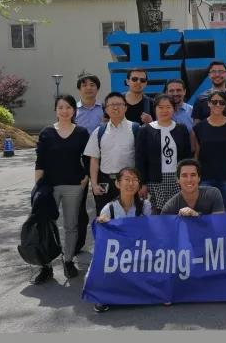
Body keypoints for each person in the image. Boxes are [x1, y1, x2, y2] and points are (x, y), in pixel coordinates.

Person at [31, 95, 90, 285]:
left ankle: (68, 260)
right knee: (46, 225)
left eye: (68, 107)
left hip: (74, 185)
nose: (64, 111)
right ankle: (46, 266)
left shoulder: (81, 132)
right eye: (61, 107)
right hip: (50, 186)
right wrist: (38, 187)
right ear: (55, 110)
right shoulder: (47, 132)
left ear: (74, 110)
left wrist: (85, 178)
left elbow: (88, 158)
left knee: (71, 226)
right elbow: (40, 161)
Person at [93, 167, 152, 312]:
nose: (131, 183)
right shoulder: (109, 209)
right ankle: (104, 297)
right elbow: (102, 241)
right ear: (118, 184)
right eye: (127, 179)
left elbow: (150, 233)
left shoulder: (145, 206)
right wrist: (102, 223)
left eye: (135, 180)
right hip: (117, 256)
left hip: (139, 253)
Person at [83, 92, 138, 217]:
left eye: (119, 104)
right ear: (106, 109)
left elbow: (141, 159)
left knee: (129, 218)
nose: (115, 107)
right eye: (111, 105)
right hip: (105, 183)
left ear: (126, 107)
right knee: (105, 219)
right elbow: (94, 160)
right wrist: (94, 184)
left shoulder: (135, 129)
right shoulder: (99, 131)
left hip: (128, 183)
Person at [135, 94, 191, 214]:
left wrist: (187, 178)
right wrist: (142, 183)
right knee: (157, 213)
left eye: (168, 107)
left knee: (180, 212)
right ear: (155, 109)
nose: (164, 110)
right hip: (155, 181)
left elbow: (187, 157)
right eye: (160, 107)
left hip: (177, 180)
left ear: (174, 109)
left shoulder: (181, 129)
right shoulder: (145, 130)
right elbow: (140, 159)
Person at [193, 90, 226, 211]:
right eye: (214, 102)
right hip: (205, 177)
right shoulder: (199, 128)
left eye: (221, 102)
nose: (218, 105)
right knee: (204, 211)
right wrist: (195, 178)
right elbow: (196, 155)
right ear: (209, 103)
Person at [74, 72, 103, 255]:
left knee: (102, 200)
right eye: (84, 85)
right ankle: (77, 243)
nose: (88, 88)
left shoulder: (105, 109)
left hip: (102, 159)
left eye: (92, 84)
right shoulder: (72, 110)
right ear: (79, 89)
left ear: (97, 88)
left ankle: (104, 242)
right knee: (79, 204)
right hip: (79, 160)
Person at [161, 159, 225, 216]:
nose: (189, 180)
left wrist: (196, 215)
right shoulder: (169, 207)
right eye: (184, 175)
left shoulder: (213, 194)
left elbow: (220, 223)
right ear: (178, 180)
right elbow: (164, 225)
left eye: (193, 175)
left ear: (199, 178)